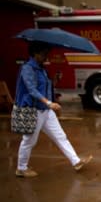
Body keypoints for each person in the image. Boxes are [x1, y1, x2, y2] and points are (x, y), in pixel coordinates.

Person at [15, 41, 92, 177]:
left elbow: (44, 88)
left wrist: (55, 81)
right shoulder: (28, 68)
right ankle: (21, 168)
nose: (46, 57)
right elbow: (31, 89)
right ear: (36, 54)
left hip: (45, 110)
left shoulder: (41, 68)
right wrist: (49, 103)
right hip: (34, 110)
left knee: (60, 136)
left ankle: (76, 161)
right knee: (29, 140)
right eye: (44, 54)